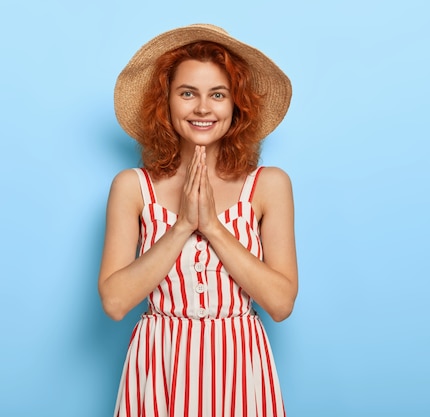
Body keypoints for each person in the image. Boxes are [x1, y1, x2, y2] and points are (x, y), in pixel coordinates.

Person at [98, 23, 298, 417]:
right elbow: (115, 302)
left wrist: (212, 226)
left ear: (236, 105)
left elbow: (280, 303)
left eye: (218, 95)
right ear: (166, 102)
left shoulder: (268, 185)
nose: (203, 108)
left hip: (241, 365)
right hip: (159, 365)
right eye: (187, 93)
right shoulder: (132, 187)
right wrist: (183, 226)